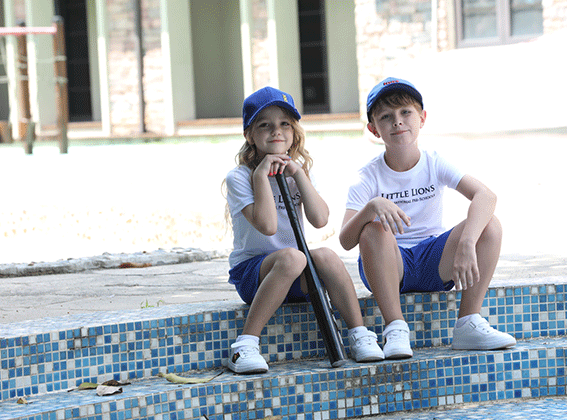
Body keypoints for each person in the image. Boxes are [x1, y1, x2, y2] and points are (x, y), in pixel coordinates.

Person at [339, 77, 516, 359]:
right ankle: (396, 329)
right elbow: (346, 240)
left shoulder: (434, 162)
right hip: (389, 264)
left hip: (433, 259)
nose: (397, 121)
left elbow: (486, 196)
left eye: (405, 112)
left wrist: (467, 242)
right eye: (386, 117)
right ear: (373, 129)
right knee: (373, 230)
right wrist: (371, 208)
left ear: (422, 118)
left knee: (490, 225)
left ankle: (468, 322)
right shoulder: (368, 176)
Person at [224, 86, 384, 374]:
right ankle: (244, 345)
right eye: (265, 125)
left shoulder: (299, 171)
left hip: (295, 274)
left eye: (285, 124)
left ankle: (359, 334)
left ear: (294, 131)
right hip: (254, 275)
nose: (276, 131)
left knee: (325, 256)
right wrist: (261, 176)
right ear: (249, 135)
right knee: (293, 257)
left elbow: (320, 219)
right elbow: (268, 226)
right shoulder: (241, 177)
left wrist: (299, 174)